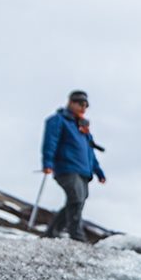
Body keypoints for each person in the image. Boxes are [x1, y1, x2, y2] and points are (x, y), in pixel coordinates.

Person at [41, 90, 106, 242]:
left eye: (86, 105)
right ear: (71, 102)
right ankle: (77, 236)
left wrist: (99, 172)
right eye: (80, 103)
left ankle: (51, 232)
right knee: (76, 198)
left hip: (84, 170)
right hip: (66, 167)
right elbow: (50, 141)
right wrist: (47, 162)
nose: (83, 107)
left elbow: (90, 152)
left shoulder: (84, 129)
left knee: (78, 201)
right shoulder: (58, 120)